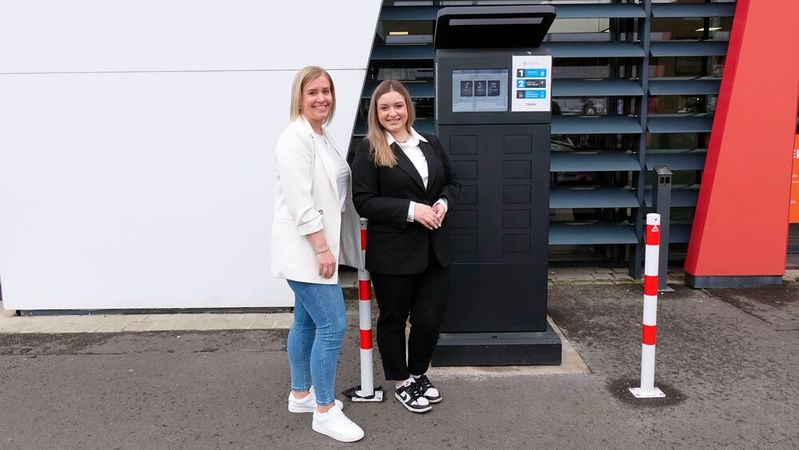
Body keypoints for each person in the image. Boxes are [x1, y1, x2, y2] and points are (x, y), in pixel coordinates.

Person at [351, 80, 460, 413]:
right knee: (394, 319)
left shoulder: (430, 143)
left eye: (398, 105)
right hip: (394, 253)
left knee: (430, 319)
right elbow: (363, 201)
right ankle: (401, 381)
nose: (392, 112)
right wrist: (413, 211)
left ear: (408, 108)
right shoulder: (369, 150)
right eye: (384, 107)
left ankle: (418, 372)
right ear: (376, 113)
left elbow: (454, 182)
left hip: (434, 250)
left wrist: (442, 202)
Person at [271, 66, 364, 442]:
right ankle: (324, 410)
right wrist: (322, 248)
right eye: (313, 92)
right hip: (307, 248)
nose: (322, 98)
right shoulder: (294, 138)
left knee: (307, 323)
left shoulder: (319, 134)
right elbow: (300, 201)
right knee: (333, 325)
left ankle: (301, 394)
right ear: (299, 97)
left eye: (326, 91)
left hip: (314, 246)